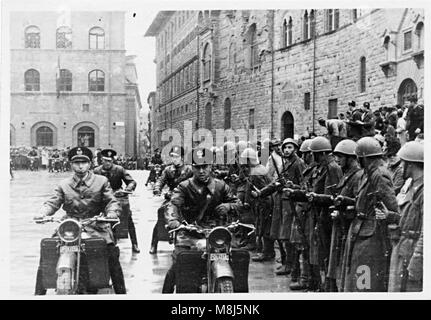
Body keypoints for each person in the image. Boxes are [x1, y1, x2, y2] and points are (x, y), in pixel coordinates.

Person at [33, 146, 126, 294]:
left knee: (111, 255)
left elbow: (111, 201)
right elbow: (53, 202)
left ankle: (122, 293)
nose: (80, 166)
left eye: (84, 162)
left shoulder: (101, 181)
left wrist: (112, 212)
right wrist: (42, 212)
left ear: (90, 164)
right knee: (47, 253)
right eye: (76, 162)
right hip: (70, 226)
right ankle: (38, 293)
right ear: (71, 164)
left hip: (95, 224)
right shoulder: (64, 184)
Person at [161, 147, 240, 293]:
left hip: (217, 233)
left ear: (211, 166)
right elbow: (172, 205)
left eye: (205, 166)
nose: (202, 171)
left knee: (237, 259)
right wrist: (174, 221)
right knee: (178, 265)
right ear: (192, 167)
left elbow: (238, 203)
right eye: (197, 167)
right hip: (190, 232)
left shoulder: (221, 185)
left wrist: (229, 206)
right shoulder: (184, 187)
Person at [342, 137, 398, 292]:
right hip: (363, 232)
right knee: (360, 277)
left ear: (364, 158)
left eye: (359, 157)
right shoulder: (369, 173)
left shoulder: (379, 175)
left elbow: (392, 207)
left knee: (365, 279)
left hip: (372, 236)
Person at [387, 141, 423, 292]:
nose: (400, 167)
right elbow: (405, 215)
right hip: (402, 248)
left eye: (403, 163)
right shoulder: (410, 185)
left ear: (411, 165)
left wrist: (416, 262)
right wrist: (391, 216)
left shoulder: (424, 191)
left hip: (413, 254)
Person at [330, 139, 362, 291]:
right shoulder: (348, 174)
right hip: (342, 224)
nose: (337, 160)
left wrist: (343, 209)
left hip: (349, 225)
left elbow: (358, 203)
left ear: (350, 158)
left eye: (340, 157)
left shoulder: (357, 176)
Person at [94, 149, 140, 253]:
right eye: (105, 160)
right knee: (99, 220)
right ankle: (108, 243)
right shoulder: (96, 171)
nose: (107, 163)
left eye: (109, 161)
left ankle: (135, 244)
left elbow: (131, 181)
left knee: (128, 218)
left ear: (113, 161)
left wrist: (127, 189)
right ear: (101, 160)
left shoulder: (119, 169)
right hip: (102, 197)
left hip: (117, 195)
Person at [149, 145, 193, 254]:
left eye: (177, 156)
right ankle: (154, 244)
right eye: (172, 156)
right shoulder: (168, 170)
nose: (174, 159)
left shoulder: (189, 170)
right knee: (161, 215)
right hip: (171, 198)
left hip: (186, 199)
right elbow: (160, 180)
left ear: (182, 157)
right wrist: (157, 189)